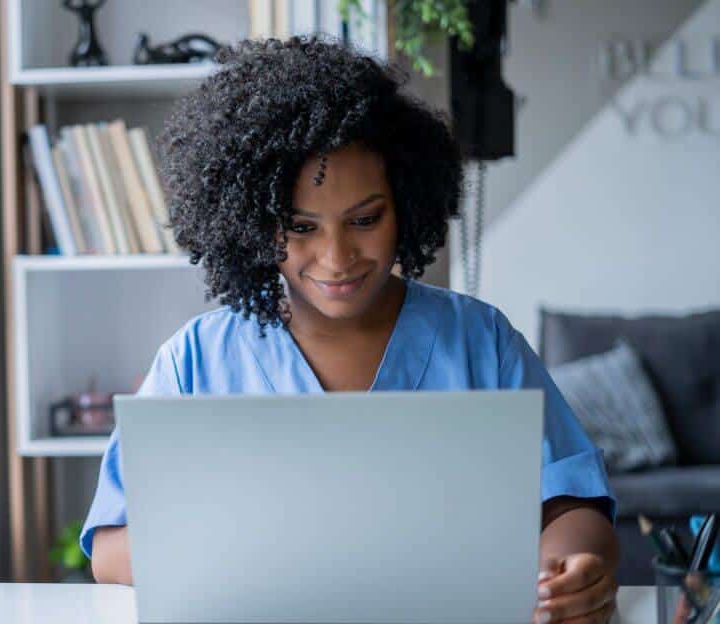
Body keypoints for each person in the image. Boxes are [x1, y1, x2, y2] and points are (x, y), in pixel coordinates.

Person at [81, 37, 619, 624]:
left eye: (365, 220)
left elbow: (571, 502)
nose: (337, 257)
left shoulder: (480, 341)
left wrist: (571, 569)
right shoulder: (196, 359)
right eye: (301, 226)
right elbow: (111, 547)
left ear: (408, 204)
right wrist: (279, 556)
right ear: (251, 224)